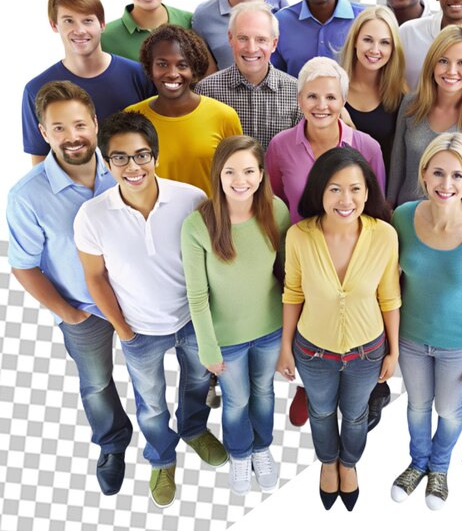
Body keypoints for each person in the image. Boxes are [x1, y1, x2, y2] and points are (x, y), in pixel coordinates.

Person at [74, 112, 228, 508]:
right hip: (139, 330)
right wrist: (124, 331)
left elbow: (209, 263)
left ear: (155, 157)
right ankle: (161, 456)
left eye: (142, 155)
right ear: (107, 164)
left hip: (190, 321)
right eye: (120, 158)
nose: (133, 166)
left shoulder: (191, 199)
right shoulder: (91, 216)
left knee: (196, 384)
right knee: (152, 402)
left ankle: (194, 429)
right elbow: (95, 279)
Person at [7, 81, 133, 497]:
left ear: (96, 124)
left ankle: (172, 433)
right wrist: (69, 313)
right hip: (84, 309)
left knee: (158, 369)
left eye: (79, 124)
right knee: (96, 383)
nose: (72, 136)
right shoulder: (27, 197)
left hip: (138, 300)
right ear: (43, 133)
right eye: (58, 128)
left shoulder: (126, 169)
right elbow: (23, 265)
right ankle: (113, 443)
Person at [276, 146, 401, 511]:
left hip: (367, 351)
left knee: (357, 412)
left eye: (355, 189)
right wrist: (286, 346)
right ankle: (327, 462)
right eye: (335, 189)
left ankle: (349, 464)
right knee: (321, 411)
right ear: (319, 190)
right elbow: (293, 292)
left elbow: (389, 296)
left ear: (367, 192)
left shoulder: (384, 235)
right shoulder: (300, 235)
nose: (345, 200)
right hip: (313, 350)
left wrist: (392, 351)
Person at [390, 133, 462, 510]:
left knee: (449, 410)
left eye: (457, 175)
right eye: (438, 173)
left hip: (459, 342)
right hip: (410, 337)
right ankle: (418, 464)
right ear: (423, 174)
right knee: (418, 407)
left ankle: (439, 468)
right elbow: (390, 284)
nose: (446, 184)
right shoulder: (403, 217)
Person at [181, 135, 290, 496]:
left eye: (248, 170)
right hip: (226, 338)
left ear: (261, 174)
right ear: (218, 174)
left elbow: (288, 276)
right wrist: (208, 349)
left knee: (264, 392)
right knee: (237, 400)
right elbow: (197, 296)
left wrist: (289, 339)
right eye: (230, 171)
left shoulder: (277, 211)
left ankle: (262, 449)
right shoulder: (197, 225)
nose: (239, 180)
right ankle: (240, 453)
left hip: (270, 329)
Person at [23, 0, 154, 165]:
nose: (79, 30)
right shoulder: (36, 89)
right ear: (54, 25)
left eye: (88, 20)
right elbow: (40, 161)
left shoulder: (138, 75)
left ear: (102, 24)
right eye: (68, 21)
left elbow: (156, 142)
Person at [387, 25, 462, 220]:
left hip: (455, 224)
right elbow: (398, 162)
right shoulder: (411, 104)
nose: (451, 71)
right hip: (406, 217)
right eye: (443, 61)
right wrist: (388, 208)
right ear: (432, 64)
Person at [266, 56, 385, 224]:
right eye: (312, 96)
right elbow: (275, 205)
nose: (321, 106)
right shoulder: (279, 146)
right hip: (297, 245)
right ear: (300, 100)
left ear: (343, 101)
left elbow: (376, 212)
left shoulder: (369, 148)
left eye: (330, 97)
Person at [126, 24, 242, 196]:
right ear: (150, 67)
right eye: (162, 64)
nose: (172, 73)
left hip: (209, 220)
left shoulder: (224, 115)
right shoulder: (132, 118)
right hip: (155, 220)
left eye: (182, 65)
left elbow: (238, 177)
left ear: (194, 69)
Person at [195, 1, 301, 151]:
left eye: (261, 39)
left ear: (274, 43)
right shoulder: (206, 91)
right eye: (243, 38)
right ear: (230, 38)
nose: (251, 49)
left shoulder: (296, 92)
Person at [340, 5, 408, 173]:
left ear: (393, 49)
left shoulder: (401, 95)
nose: (375, 50)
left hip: (380, 190)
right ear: (355, 40)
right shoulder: (333, 87)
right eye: (368, 40)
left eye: (384, 42)